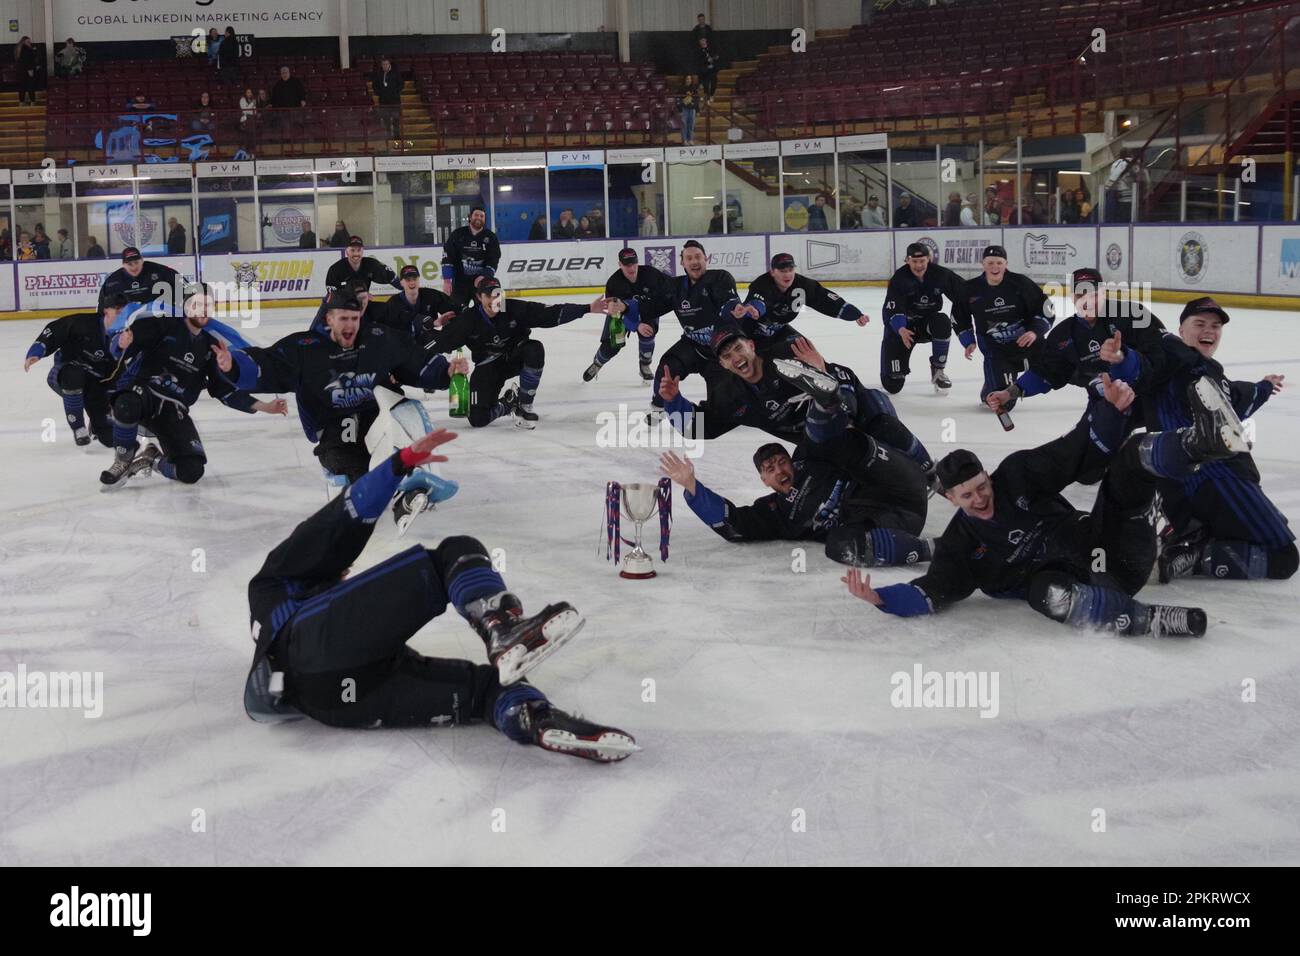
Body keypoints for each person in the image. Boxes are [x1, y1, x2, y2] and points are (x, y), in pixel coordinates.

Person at [243, 429, 638, 762]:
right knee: (450, 557)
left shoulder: (279, 613)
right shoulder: (274, 581)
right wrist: (399, 464)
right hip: (313, 646)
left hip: (333, 702)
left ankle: (531, 718)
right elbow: (334, 524)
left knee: (485, 690)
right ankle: (500, 628)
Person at [841, 378, 1236, 639]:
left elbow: (1069, 452)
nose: (980, 499)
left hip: (1112, 550)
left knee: (1131, 457)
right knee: (1043, 592)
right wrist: (883, 599)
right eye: (967, 496)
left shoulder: (1018, 476)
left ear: (988, 476)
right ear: (951, 500)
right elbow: (934, 589)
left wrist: (1110, 415)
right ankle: (1151, 620)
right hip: (1081, 589)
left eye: (982, 487)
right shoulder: (959, 546)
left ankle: (1204, 441)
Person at [1138, 297, 1296, 584]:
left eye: (1215, 325)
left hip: (1195, 485)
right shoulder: (1170, 361)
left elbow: (1233, 398)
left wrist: (1264, 386)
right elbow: (1141, 363)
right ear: (1181, 331)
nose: (1209, 330)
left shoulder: (1206, 371)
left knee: (1274, 528)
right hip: (1216, 478)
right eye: (1199, 324)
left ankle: (1191, 529)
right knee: (1283, 559)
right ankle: (1194, 556)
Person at [231, 289, 460, 485]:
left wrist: (445, 372)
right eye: (343, 318)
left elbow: (412, 358)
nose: (350, 324)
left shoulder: (377, 338)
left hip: (376, 417)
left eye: (354, 318)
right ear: (328, 319)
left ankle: (415, 481)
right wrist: (233, 366)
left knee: (407, 413)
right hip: (335, 430)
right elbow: (269, 365)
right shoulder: (305, 347)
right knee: (359, 473)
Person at [661, 325, 937, 482]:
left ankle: (930, 473)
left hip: (849, 414)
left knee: (879, 412)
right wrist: (674, 402)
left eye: (738, 348)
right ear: (722, 364)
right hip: (816, 444)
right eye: (727, 356)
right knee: (820, 481)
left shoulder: (786, 358)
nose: (735, 358)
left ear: (751, 346)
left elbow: (846, 379)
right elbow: (701, 428)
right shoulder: (730, 395)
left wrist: (823, 372)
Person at [660, 424, 931, 569]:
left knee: (854, 436)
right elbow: (736, 525)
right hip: (892, 524)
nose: (779, 470)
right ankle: (930, 549)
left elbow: (825, 430)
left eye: (782, 462)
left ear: (792, 461)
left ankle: (935, 476)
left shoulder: (811, 460)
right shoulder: (775, 513)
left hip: (902, 486)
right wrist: (693, 486)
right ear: (763, 480)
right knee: (838, 545)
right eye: (770, 469)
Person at [985, 268, 1166, 485]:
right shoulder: (1063, 335)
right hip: (1105, 404)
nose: (1087, 300)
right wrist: (1010, 392)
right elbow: (1047, 372)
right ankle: (1117, 442)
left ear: (1104, 292)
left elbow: (1162, 357)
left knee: (1163, 463)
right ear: (1072, 297)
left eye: (1093, 294)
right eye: (1080, 295)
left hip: (1151, 398)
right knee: (1087, 472)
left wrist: (1124, 359)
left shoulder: (1134, 315)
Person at [99, 285, 287, 489]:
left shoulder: (211, 346)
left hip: (172, 408)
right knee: (126, 404)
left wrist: (266, 407)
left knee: (191, 471)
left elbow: (224, 391)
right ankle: (123, 459)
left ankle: (152, 459)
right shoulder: (162, 325)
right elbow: (120, 347)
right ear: (186, 307)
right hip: (142, 392)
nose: (203, 310)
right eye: (197, 304)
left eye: (207, 305)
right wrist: (121, 343)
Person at [434, 277, 607, 429]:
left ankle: (525, 404)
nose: (494, 300)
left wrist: (587, 308)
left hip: (514, 357)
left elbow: (550, 313)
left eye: (497, 295)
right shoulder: (467, 320)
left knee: (534, 349)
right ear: (479, 297)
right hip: (488, 366)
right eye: (488, 296)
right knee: (478, 419)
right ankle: (508, 404)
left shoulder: (514, 308)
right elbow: (440, 343)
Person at [616, 240, 738, 420]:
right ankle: (658, 408)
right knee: (666, 367)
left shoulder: (720, 278)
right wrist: (625, 307)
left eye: (698, 257)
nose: (694, 261)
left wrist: (735, 309)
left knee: (721, 411)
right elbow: (651, 307)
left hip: (721, 351)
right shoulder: (675, 287)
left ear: (706, 259)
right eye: (689, 258)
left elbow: (728, 302)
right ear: (682, 263)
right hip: (692, 345)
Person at [23, 293, 132, 448]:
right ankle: (78, 427)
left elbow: (120, 375)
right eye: (119, 312)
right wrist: (37, 351)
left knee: (110, 438)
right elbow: (54, 330)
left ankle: (97, 426)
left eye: (126, 312)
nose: (124, 316)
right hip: (66, 375)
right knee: (74, 376)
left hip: (97, 386)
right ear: (107, 311)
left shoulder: (128, 335)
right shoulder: (82, 323)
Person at [952, 244, 1055, 407]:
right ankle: (991, 384)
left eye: (999, 263)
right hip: (996, 350)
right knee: (1004, 404)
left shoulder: (1020, 283)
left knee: (1059, 362)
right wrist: (968, 340)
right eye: (990, 263)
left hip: (1028, 344)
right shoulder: (969, 289)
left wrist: (1035, 332)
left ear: (1006, 264)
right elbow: (959, 316)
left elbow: (1047, 309)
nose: (995, 267)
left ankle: (1093, 383)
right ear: (983, 264)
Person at [740, 252, 869, 359]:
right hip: (750, 333)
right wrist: (753, 309)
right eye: (782, 270)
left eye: (790, 270)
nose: (788, 275)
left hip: (778, 331)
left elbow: (826, 299)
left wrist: (855, 314)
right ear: (772, 272)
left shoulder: (802, 285)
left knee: (806, 350)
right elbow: (757, 301)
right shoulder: (762, 284)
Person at [880, 242, 967, 395]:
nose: (919, 265)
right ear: (907, 260)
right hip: (903, 329)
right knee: (893, 385)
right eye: (914, 261)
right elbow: (892, 309)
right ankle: (892, 373)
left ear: (929, 259)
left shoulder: (941, 275)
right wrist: (900, 328)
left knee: (942, 321)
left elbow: (965, 295)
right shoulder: (899, 278)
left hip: (927, 325)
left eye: (922, 261)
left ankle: (938, 369)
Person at [583, 247, 669, 383]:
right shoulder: (614, 283)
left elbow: (673, 286)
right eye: (627, 265)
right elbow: (614, 312)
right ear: (620, 265)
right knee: (612, 345)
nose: (632, 268)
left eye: (634, 263)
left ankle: (645, 364)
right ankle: (597, 363)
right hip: (621, 315)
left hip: (647, 310)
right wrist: (635, 325)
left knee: (648, 332)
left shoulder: (651, 274)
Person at [375, 263, 458, 348]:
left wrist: (449, 328)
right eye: (408, 280)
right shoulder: (393, 303)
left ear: (419, 280)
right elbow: (385, 330)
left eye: (414, 279)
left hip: (428, 341)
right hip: (403, 344)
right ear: (401, 283)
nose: (412, 282)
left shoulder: (431, 295)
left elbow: (454, 309)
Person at [440, 205, 501, 306]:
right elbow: (448, 256)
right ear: (470, 217)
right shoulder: (458, 234)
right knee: (456, 313)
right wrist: (447, 280)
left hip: (481, 283)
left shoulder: (491, 237)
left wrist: (484, 275)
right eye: (476, 215)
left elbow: (494, 259)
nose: (479, 218)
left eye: (482, 216)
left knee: (487, 311)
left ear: (485, 219)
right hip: (460, 283)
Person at [98, 247, 186, 312]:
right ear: (123, 265)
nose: (134, 267)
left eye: (136, 262)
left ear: (142, 261)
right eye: (129, 264)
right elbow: (103, 308)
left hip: (159, 320)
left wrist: (175, 307)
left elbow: (183, 285)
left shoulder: (159, 271)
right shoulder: (113, 281)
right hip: (130, 324)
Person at [324, 235, 402, 294]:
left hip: (363, 304)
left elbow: (391, 276)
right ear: (347, 251)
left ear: (362, 251)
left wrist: (405, 289)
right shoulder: (336, 269)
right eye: (352, 250)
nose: (356, 254)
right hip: (342, 307)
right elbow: (331, 294)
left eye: (358, 250)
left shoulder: (371, 264)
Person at [371, 56, 404, 138]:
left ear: (389, 64)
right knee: (386, 120)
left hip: (395, 101)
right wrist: (379, 93)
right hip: (383, 101)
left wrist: (396, 92)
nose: (385, 66)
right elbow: (374, 85)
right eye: (383, 64)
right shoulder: (379, 74)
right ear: (381, 65)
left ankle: (397, 135)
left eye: (386, 64)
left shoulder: (395, 73)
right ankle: (389, 135)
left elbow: (401, 84)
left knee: (396, 119)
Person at [15, 36, 38, 107]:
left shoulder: (18, 49)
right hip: (28, 70)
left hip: (20, 71)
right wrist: (30, 69)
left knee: (22, 87)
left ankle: (21, 102)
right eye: (29, 41)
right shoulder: (27, 49)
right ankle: (32, 101)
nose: (30, 43)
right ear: (25, 42)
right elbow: (28, 61)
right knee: (30, 86)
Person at [678, 76, 700, 146]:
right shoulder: (681, 88)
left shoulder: (694, 88)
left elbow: (697, 99)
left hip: (692, 109)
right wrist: (680, 110)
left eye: (690, 79)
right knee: (684, 125)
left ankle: (690, 139)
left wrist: (697, 110)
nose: (688, 80)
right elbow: (678, 99)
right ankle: (684, 140)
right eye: (687, 79)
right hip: (684, 109)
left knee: (691, 125)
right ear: (684, 80)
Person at [696, 37, 720, 102]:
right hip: (705, 71)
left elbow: (716, 55)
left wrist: (713, 58)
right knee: (706, 85)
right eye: (701, 42)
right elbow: (699, 61)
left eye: (704, 41)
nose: (703, 42)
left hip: (713, 70)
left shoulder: (711, 49)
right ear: (700, 43)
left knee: (714, 84)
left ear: (706, 41)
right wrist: (707, 60)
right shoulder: (699, 51)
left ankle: (712, 95)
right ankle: (707, 97)